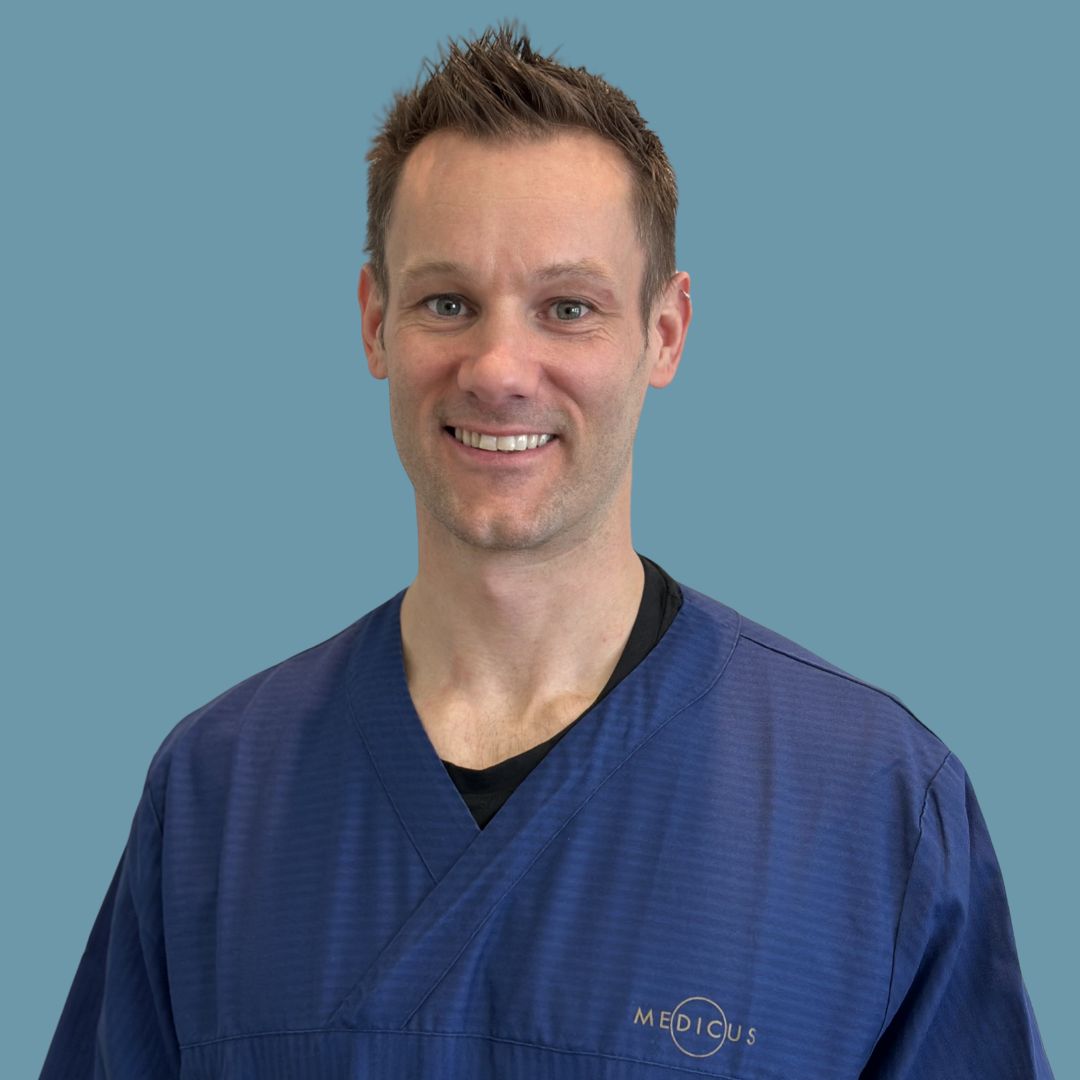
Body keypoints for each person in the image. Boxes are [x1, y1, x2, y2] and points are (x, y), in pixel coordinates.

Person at [42, 24, 1054, 1079]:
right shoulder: (216, 796)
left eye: (568, 308)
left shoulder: (870, 806)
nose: (499, 369)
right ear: (375, 322)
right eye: (447, 303)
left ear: (665, 332)